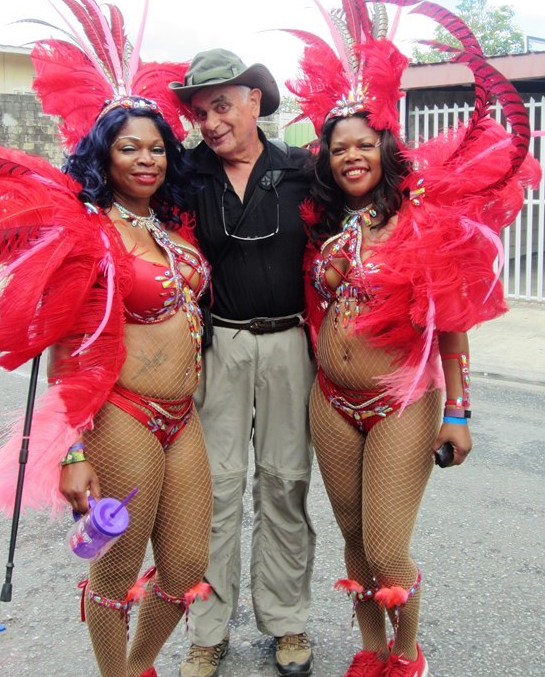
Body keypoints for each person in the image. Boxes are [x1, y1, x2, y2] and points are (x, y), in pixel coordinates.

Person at [278, 0, 541, 677]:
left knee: (390, 546)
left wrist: (459, 411)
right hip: (331, 398)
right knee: (354, 537)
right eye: (337, 149)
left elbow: (451, 324)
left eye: (363, 145)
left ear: (386, 150)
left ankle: (407, 655)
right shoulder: (323, 224)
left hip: (403, 398)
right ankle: (367, 650)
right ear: (325, 160)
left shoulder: (424, 218)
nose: (350, 156)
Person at [0, 0, 213, 677]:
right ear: (104, 157)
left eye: (156, 148)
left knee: (186, 568)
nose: (146, 160)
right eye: (129, 149)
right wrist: (73, 449)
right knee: (115, 573)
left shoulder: (170, 229)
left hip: (184, 415)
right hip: (121, 414)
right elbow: (64, 343)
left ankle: (140, 665)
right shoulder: (87, 233)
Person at [169, 49, 316, 677]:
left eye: (222, 105)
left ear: (255, 100)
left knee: (285, 485)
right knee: (217, 491)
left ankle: (286, 622)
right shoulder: (185, 176)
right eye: (201, 111)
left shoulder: (304, 169)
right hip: (219, 347)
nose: (210, 121)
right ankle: (208, 631)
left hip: (291, 345)